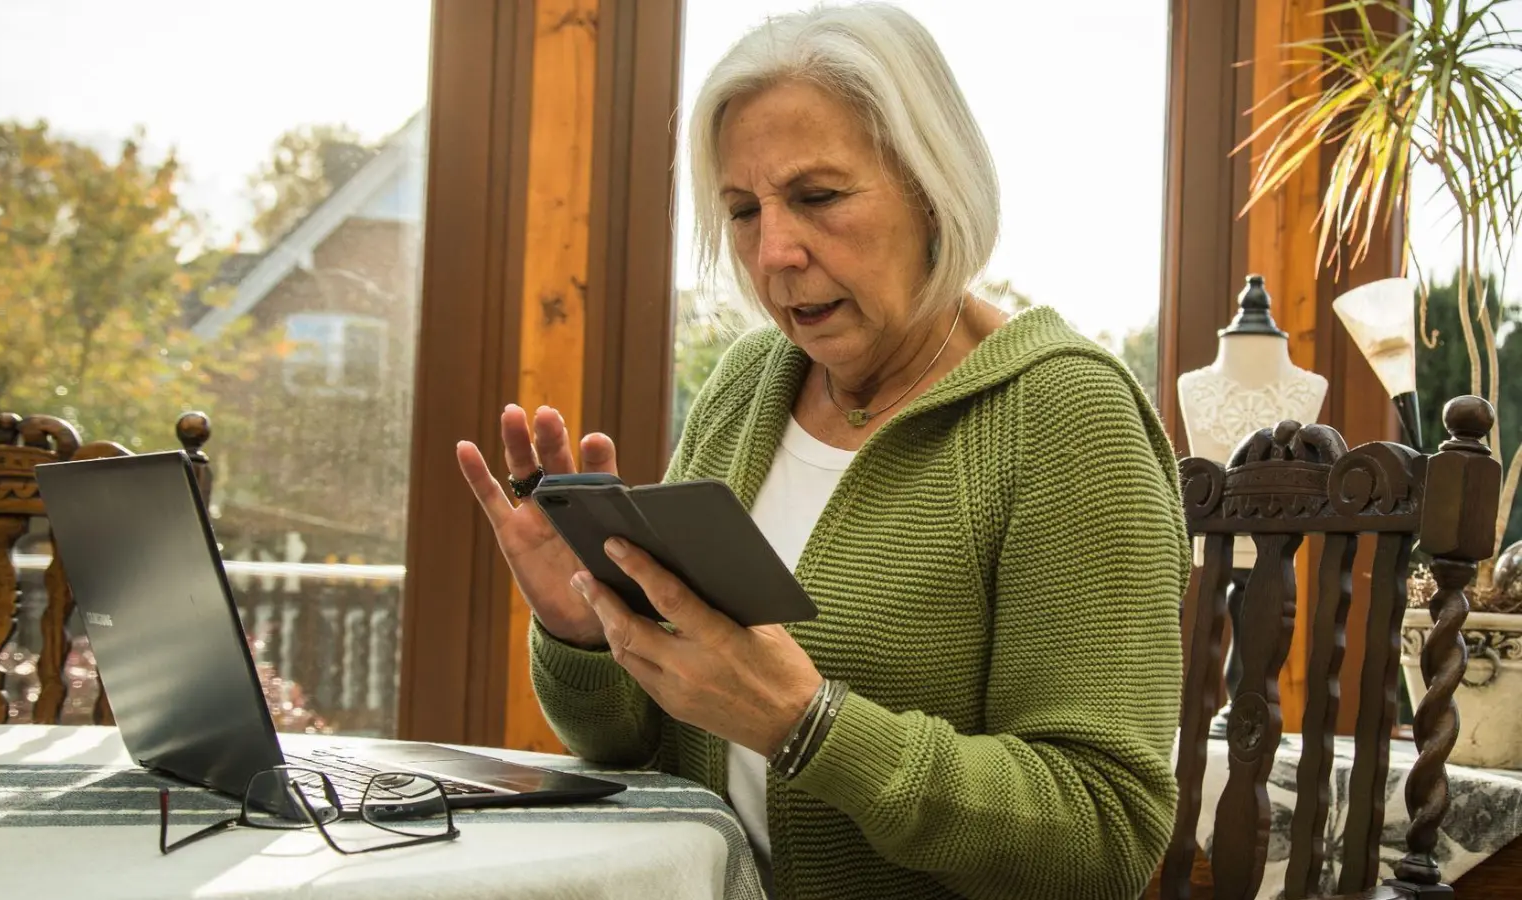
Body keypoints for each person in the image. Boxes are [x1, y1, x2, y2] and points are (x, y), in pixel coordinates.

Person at [455, 3, 1189, 898]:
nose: (775, 252)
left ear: (933, 185)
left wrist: (809, 726)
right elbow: (637, 747)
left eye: (818, 197)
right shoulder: (744, 389)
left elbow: (1105, 834)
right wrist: (584, 627)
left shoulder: (1065, 416)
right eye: (741, 210)